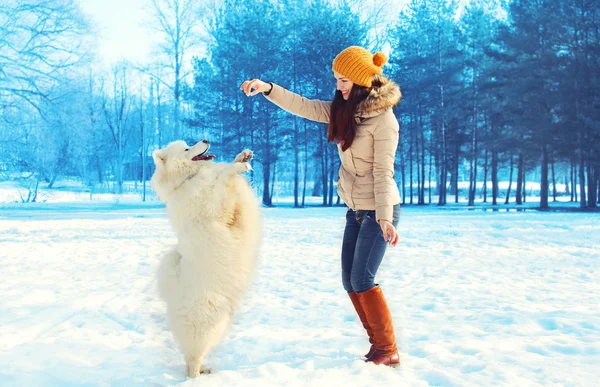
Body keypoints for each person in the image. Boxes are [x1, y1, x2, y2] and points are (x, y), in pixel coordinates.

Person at [240, 46, 402, 367]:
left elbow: (384, 172)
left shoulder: (385, 122)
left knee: (363, 279)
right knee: (349, 280)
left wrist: (385, 218)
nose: (339, 86)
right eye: (336, 79)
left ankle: (387, 349)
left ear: (359, 81)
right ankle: (377, 347)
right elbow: (303, 105)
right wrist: (268, 88)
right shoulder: (344, 111)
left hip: (380, 210)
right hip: (355, 209)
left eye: (344, 80)